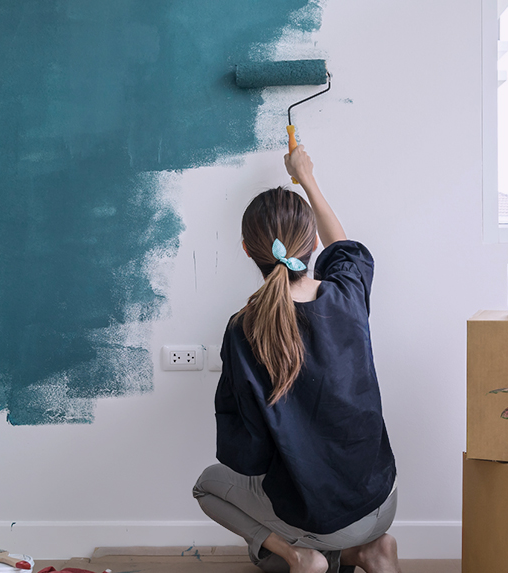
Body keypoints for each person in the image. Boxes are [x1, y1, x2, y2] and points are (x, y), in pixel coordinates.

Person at [193, 146, 400, 573]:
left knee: (207, 487)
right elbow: (345, 246)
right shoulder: (347, 293)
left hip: (322, 521)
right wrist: (305, 176)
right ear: (313, 246)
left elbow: (247, 452)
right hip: (383, 501)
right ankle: (368, 550)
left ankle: (300, 557)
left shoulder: (242, 330)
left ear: (248, 252)